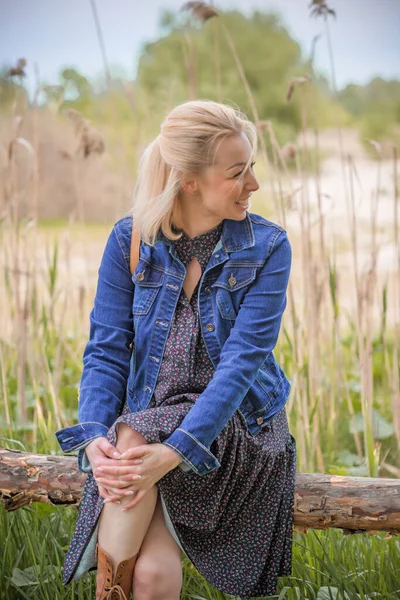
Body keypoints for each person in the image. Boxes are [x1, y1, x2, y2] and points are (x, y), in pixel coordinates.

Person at [56, 99, 296, 600]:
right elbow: (106, 350)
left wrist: (173, 449)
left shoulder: (268, 247)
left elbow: (240, 366)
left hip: (231, 428)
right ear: (189, 180)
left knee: (134, 431)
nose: (254, 183)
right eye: (238, 171)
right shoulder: (131, 240)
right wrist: (95, 437)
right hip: (147, 424)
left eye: (252, 167)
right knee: (152, 577)